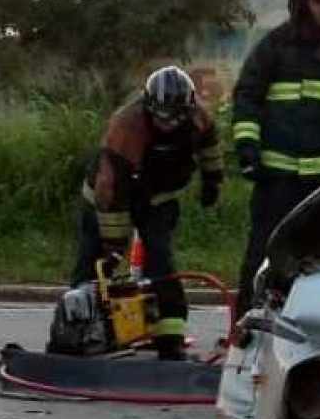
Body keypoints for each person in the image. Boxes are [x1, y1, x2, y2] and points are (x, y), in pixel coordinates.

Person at [71, 66, 223, 360]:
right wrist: (115, 248)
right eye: (162, 116)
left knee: (160, 261)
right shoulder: (127, 126)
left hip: (156, 198)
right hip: (109, 195)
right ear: (149, 106)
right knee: (94, 262)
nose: (169, 124)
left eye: (177, 116)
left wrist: (213, 180)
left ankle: (170, 337)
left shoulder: (198, 117)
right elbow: (110, 193)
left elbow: (210, 146)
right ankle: (80, 332)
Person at [232, 0, 320, 315]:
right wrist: (247, 145)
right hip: (277, 178)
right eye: (318, 1)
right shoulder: (273, 46)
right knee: (262, 254)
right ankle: (246, 327)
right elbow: (248, 94)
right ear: (300, 2)